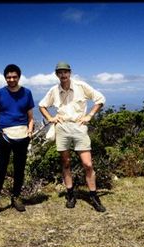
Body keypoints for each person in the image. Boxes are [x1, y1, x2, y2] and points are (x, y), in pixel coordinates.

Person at [39, 62, 106, 212]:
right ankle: (70, 194)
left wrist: (89, 115)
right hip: (62, 127)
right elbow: (42, 105)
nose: (63, 75)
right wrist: (50, 118)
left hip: (79, 126)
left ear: (70, 73)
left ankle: (93, 196)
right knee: (66, 162)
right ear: (57, 75)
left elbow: (100, 99)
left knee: (87, 164)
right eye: (60, 72)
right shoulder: (54, 90)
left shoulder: (81, 86)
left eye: (65, 72)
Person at [0, 64, 35, 218]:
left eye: (14, 77)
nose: (11, 79)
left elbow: (30, 118)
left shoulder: (27, 93)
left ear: (19, 77)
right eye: (8, 77)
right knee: (0, 170)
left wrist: (29, 131)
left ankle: (16, 197)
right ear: (5, 77)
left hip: (22, 136)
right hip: (5, 137)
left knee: (19, 169)